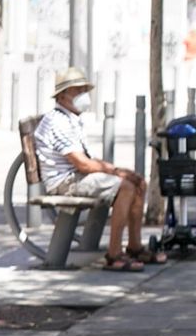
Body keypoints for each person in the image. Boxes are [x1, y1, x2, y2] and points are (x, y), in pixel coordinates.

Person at [34, 67, 167, 272]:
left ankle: (134, 246)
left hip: (76, 176)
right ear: (62, 95)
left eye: (83, 90)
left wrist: (117, 170)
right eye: (77, 91)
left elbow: (87, 160)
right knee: (126, 187)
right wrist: (117, 173)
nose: (82, 95)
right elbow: (82, 164)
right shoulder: (58, 121)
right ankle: (114, 254)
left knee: (137, 182)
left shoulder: (71, 119)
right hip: (65, 182)